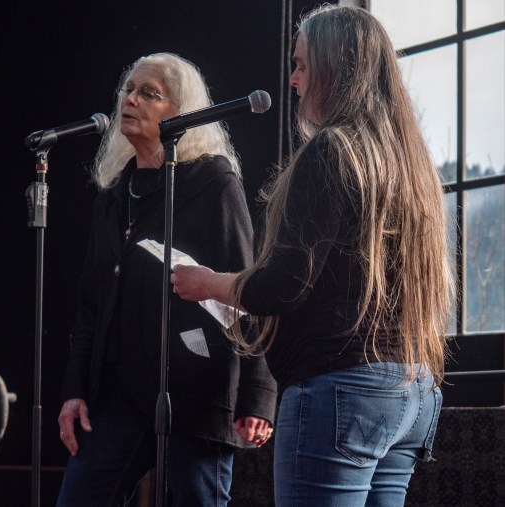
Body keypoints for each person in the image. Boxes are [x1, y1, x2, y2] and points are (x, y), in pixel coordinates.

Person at [171, 5, 454, 506]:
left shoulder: (331, 151)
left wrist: (207, 282)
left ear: (335, 69)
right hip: (412, 390)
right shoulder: (412, 168)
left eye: (302, 65)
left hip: (342, 389)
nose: (293, 80)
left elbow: (282, 286)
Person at [56, 52, 277, 507]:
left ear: (181, 113)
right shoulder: (115, 195)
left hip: (196, 386)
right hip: (118, 391)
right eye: (128, 90)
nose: (130, 100)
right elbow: (90, 304)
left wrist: (258, 393)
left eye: (149, 93)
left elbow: (247, 290)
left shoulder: (213, 182)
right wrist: (75, 389)